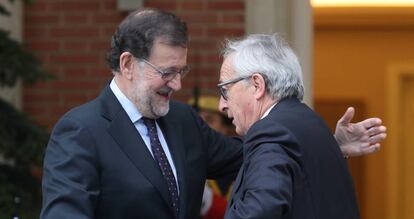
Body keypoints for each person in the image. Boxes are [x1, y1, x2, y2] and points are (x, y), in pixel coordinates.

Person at [40, 8, 386, 219]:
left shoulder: (182, 120)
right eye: (167, 72)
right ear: (128, 64)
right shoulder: (81, 131)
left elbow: (258, 157)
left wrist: (328, 144)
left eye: (182, 72)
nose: (176, 84)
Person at [218, 34, 364, 219]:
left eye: (225, 90)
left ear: (257, 85)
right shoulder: (311, 122)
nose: (222, 105)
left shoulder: (270, 133)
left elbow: (258, 213)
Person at [189, 96, 234, 219]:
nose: (200, 126)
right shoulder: (184, 164)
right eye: (197, 120)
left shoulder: (240, 165)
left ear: (225, 128)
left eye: (209, 120)